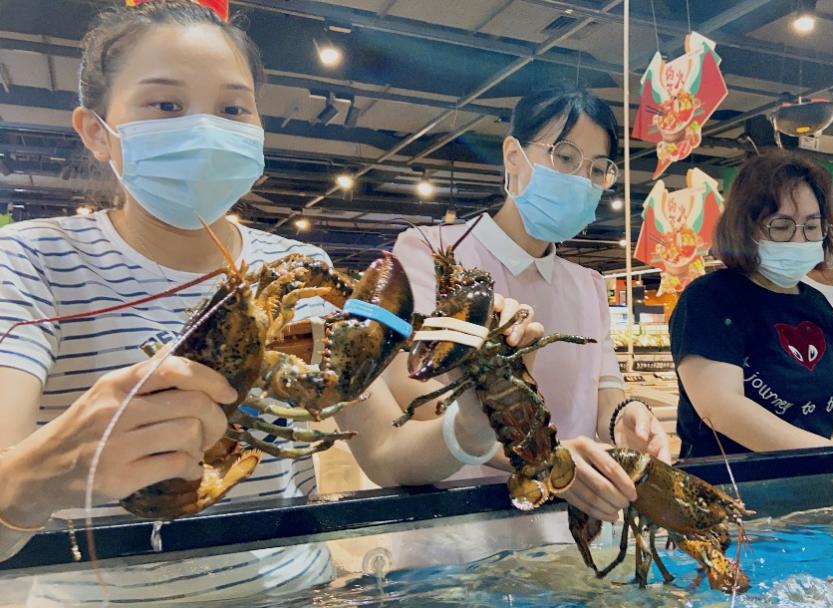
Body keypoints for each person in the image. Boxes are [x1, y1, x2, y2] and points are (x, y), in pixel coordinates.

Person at [0, 2, 541, 604]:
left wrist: (470, 421)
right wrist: (48, 469)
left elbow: (388, 457)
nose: (205, 128)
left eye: (233, 109)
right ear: (97, 131)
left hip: (296, 592)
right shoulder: (28, 259)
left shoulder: (298, 269)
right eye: (166, 105)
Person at [390, 83, 671, 526]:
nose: (581, 181)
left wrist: (625, 418)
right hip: (460, 525)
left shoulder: (588, 284)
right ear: (513, 156)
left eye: (597, 169)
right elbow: (417, 396)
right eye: (565, 157)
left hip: (568, 528)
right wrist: (550, 462)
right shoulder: (430, 251)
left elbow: (604, 392)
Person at [671, 151, 833, 458]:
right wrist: (825, 457)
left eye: (812, 226)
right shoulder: (710, 298)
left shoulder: (817, 306)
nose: (799, 240)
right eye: (782, 227)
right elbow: (722, 409)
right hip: (729, 480)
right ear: (746, 228)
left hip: (811, 479)